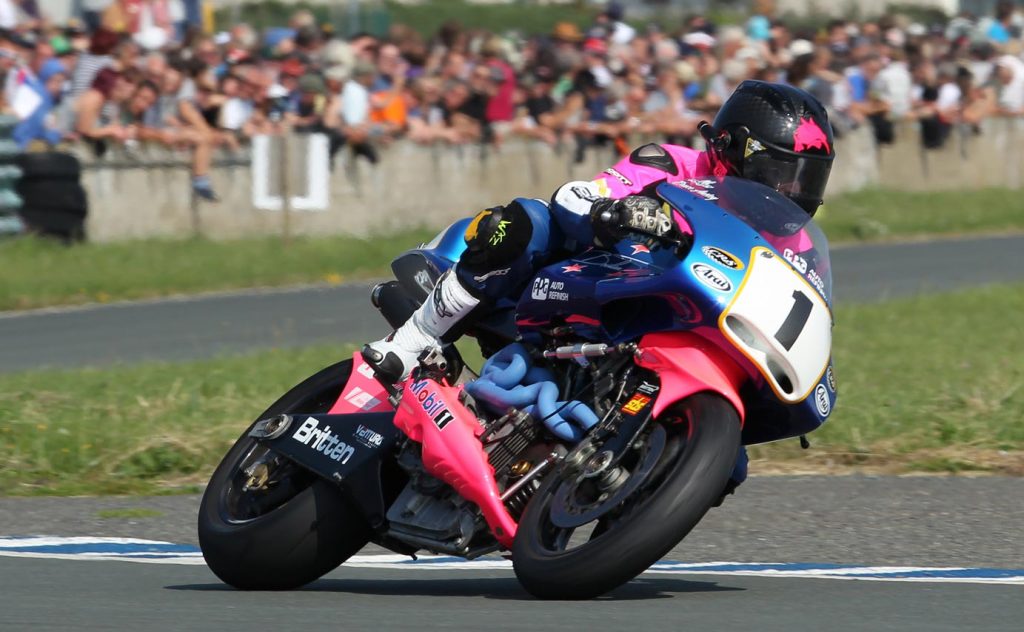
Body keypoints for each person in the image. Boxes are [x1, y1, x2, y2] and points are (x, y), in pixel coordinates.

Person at [364, 80, 835, 383]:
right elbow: (575, 196)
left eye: (804, 179)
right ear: (729, 147)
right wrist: (620, 212)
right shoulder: (668, 164)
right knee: (531, 219)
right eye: (779, 171)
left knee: (732, 466)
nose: (789, 191)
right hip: (580, 285)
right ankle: (414, 340)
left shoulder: (798, 243)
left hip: (664, 326)